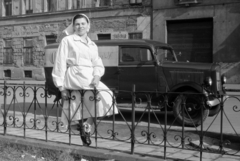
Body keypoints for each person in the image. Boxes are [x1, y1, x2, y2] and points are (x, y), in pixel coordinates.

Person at [52, 13, 118, 146]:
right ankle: (83, 129)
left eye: (83, 24)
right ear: (73, 26)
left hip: (90, 76)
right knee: (79, 103)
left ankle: (86, 125)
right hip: (76, 75)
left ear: (88, 26)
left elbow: (97, 63)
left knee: (106, 97)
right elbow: (59, 62)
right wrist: (61, 87)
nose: (80, 26)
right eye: (77, 24)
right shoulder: (68, 40)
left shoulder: (92, 44)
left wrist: (97, 76)